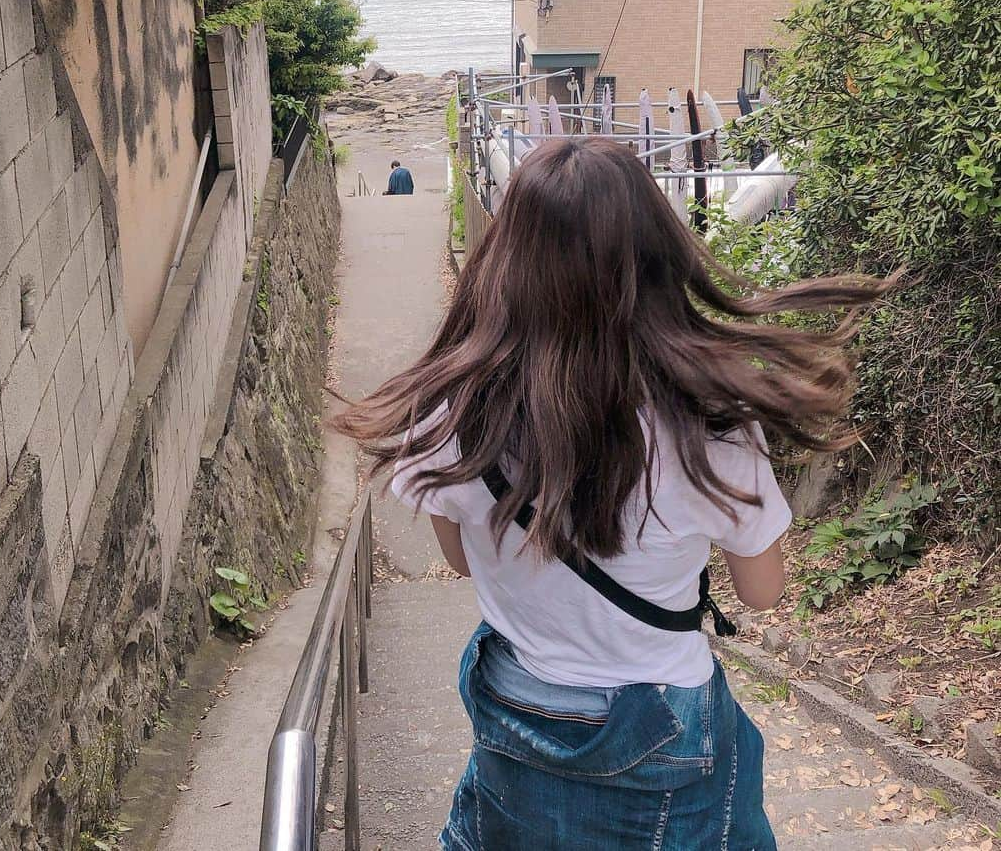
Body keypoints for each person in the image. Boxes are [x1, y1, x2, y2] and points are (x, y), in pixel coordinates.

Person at [336, 138, 888, 850]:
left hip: (518, 714)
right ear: (658, 257)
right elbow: (762, 591)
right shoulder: (710, 425)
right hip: (665, 732)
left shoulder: (453, 414)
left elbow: (464, 561)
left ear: (508, 259)